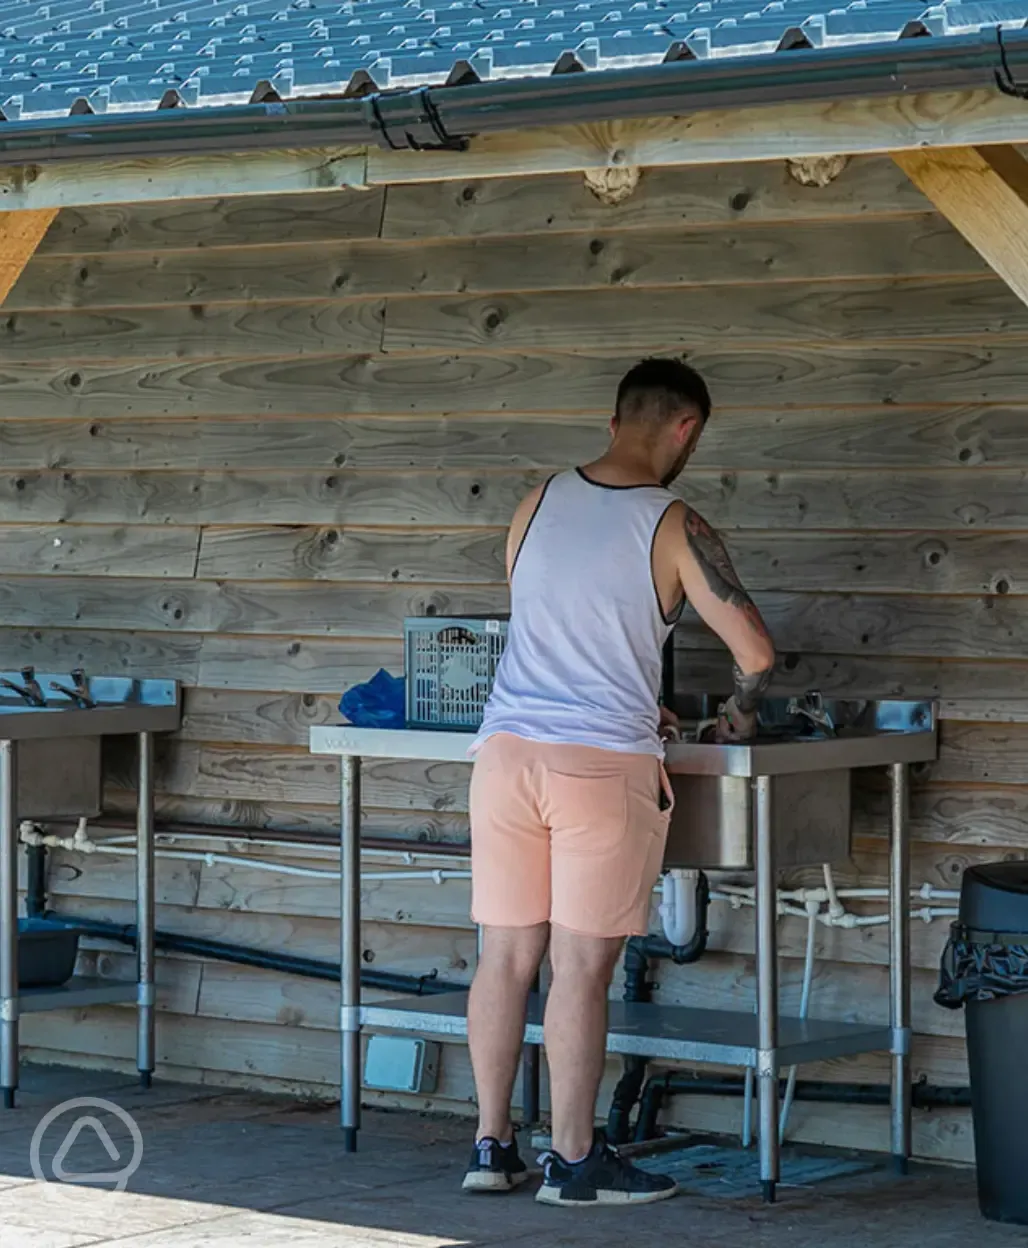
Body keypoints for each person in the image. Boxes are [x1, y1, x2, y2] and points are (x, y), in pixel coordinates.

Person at [461, 357, 776, 1207]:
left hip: (504, 756)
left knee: (505, 958)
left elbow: (552, 621)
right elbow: (755, 653)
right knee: (581, 971)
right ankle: (574, 1163)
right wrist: (735, 715)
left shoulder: (537, 501)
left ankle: (492, 1146)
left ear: (612, 421)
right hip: (600, 767)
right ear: (686, 430)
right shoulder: (672, 521)